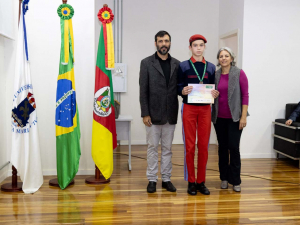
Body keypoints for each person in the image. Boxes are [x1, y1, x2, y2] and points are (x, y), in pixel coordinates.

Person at [177, 34, 219, 195]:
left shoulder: (211, 67)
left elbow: (213, 87)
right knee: (189, 147)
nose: (198, 48)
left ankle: (201, 181)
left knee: (203, 146)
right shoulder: (183, 66)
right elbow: (178, 85)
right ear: (190, 48)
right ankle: (191, 181)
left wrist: (214, 93)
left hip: (205, 109)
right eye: (195, 45)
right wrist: (182, 90)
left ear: (204, 47)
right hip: (189, 108)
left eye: (201, 45)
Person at [139, 30, 180, 193]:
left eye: (166, 41)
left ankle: (166, 179)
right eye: (160, 41)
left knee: (168, 149)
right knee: (152, 148)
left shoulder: (177, 63)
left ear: (170, 43)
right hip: (152, 115)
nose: (164, 44)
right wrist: (145, 113)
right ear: (155, 43)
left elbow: (180, 88)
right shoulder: (146, 63)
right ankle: (152, 179)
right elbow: (143, 90)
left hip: (171, 114)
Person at [211, 47, 249, 192]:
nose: (224, 58)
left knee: (234, 148)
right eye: (221, 56)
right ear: (218, 59)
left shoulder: (239, 73)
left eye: (226, 56)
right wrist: (212, 94)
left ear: (231, 58)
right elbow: (211, 93)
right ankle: (224, 178)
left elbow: (245, 96)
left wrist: (243, 116)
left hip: (235, 118)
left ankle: (236, 180)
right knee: (222, 149)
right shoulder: (216, 74)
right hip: (219, 118)